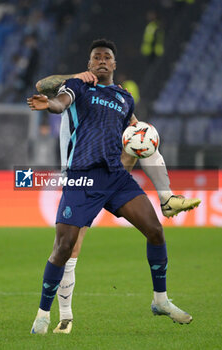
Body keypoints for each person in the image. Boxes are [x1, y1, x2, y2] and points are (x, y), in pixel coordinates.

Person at [27, 39, 196, 335]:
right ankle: (44, 314)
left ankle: (160, 300)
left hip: (115, 177)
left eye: (107, 57)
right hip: (82, 176)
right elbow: (58, 100)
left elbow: (136, 133)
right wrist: (52, 102)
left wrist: (143, 136)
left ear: (115, 64)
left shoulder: (124, 97)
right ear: (90, 63)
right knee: (65, 247)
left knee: (155, 231)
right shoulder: (79, 87)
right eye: (96, 57)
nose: (102, 60)